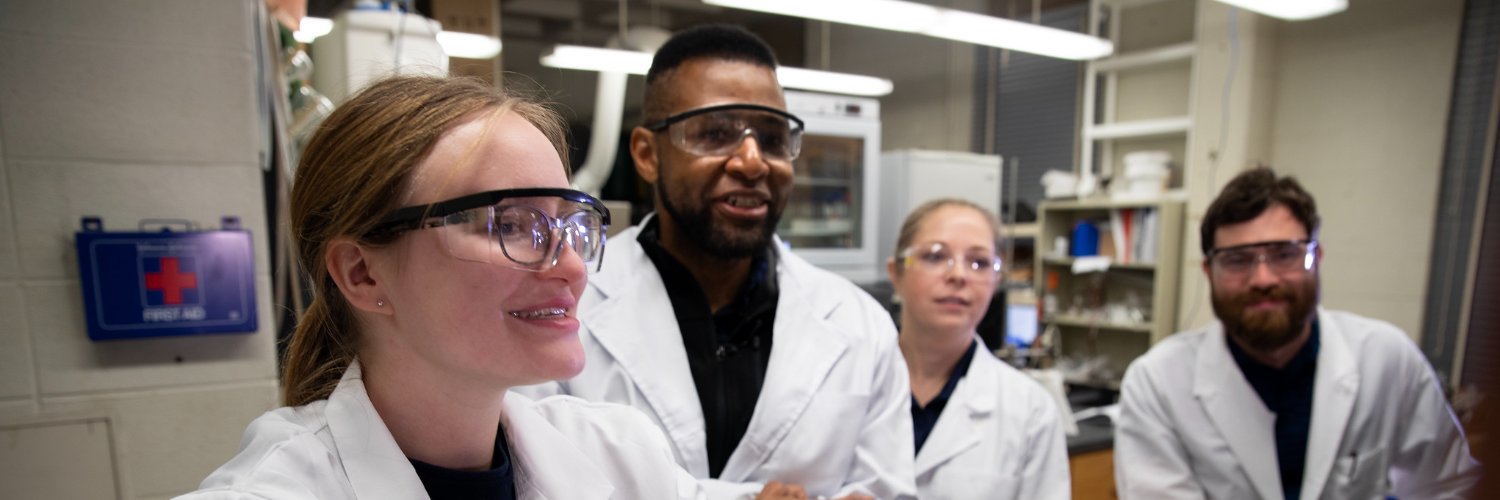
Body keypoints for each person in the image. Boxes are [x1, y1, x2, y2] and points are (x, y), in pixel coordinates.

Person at [179, 75, 702, 499]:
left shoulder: (624, 456)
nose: (571, 267)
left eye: (570, 226)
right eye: (510, 225)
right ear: (362, 273)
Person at [515, 24, 916, 500]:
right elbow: (534, 481)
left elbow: (885, 491)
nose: (752, 162)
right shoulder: (556, 304)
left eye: (772, 138)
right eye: (715, 133)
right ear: (647, 154)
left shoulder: (861, 325)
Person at [1114, 167, 1481, 499]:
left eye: (1284, 254)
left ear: (1316, 259)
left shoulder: (1386, 359)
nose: (1263, 279)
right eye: (1238, 260)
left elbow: (1449, 487)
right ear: (1209, 272)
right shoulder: (1158, 383)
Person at [887, 199, 1070, 500]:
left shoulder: (1030, 411)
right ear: (896, 273)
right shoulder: (844, 384)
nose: (958, 275)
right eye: (935, 256)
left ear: (996, 281)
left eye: (979, 262)